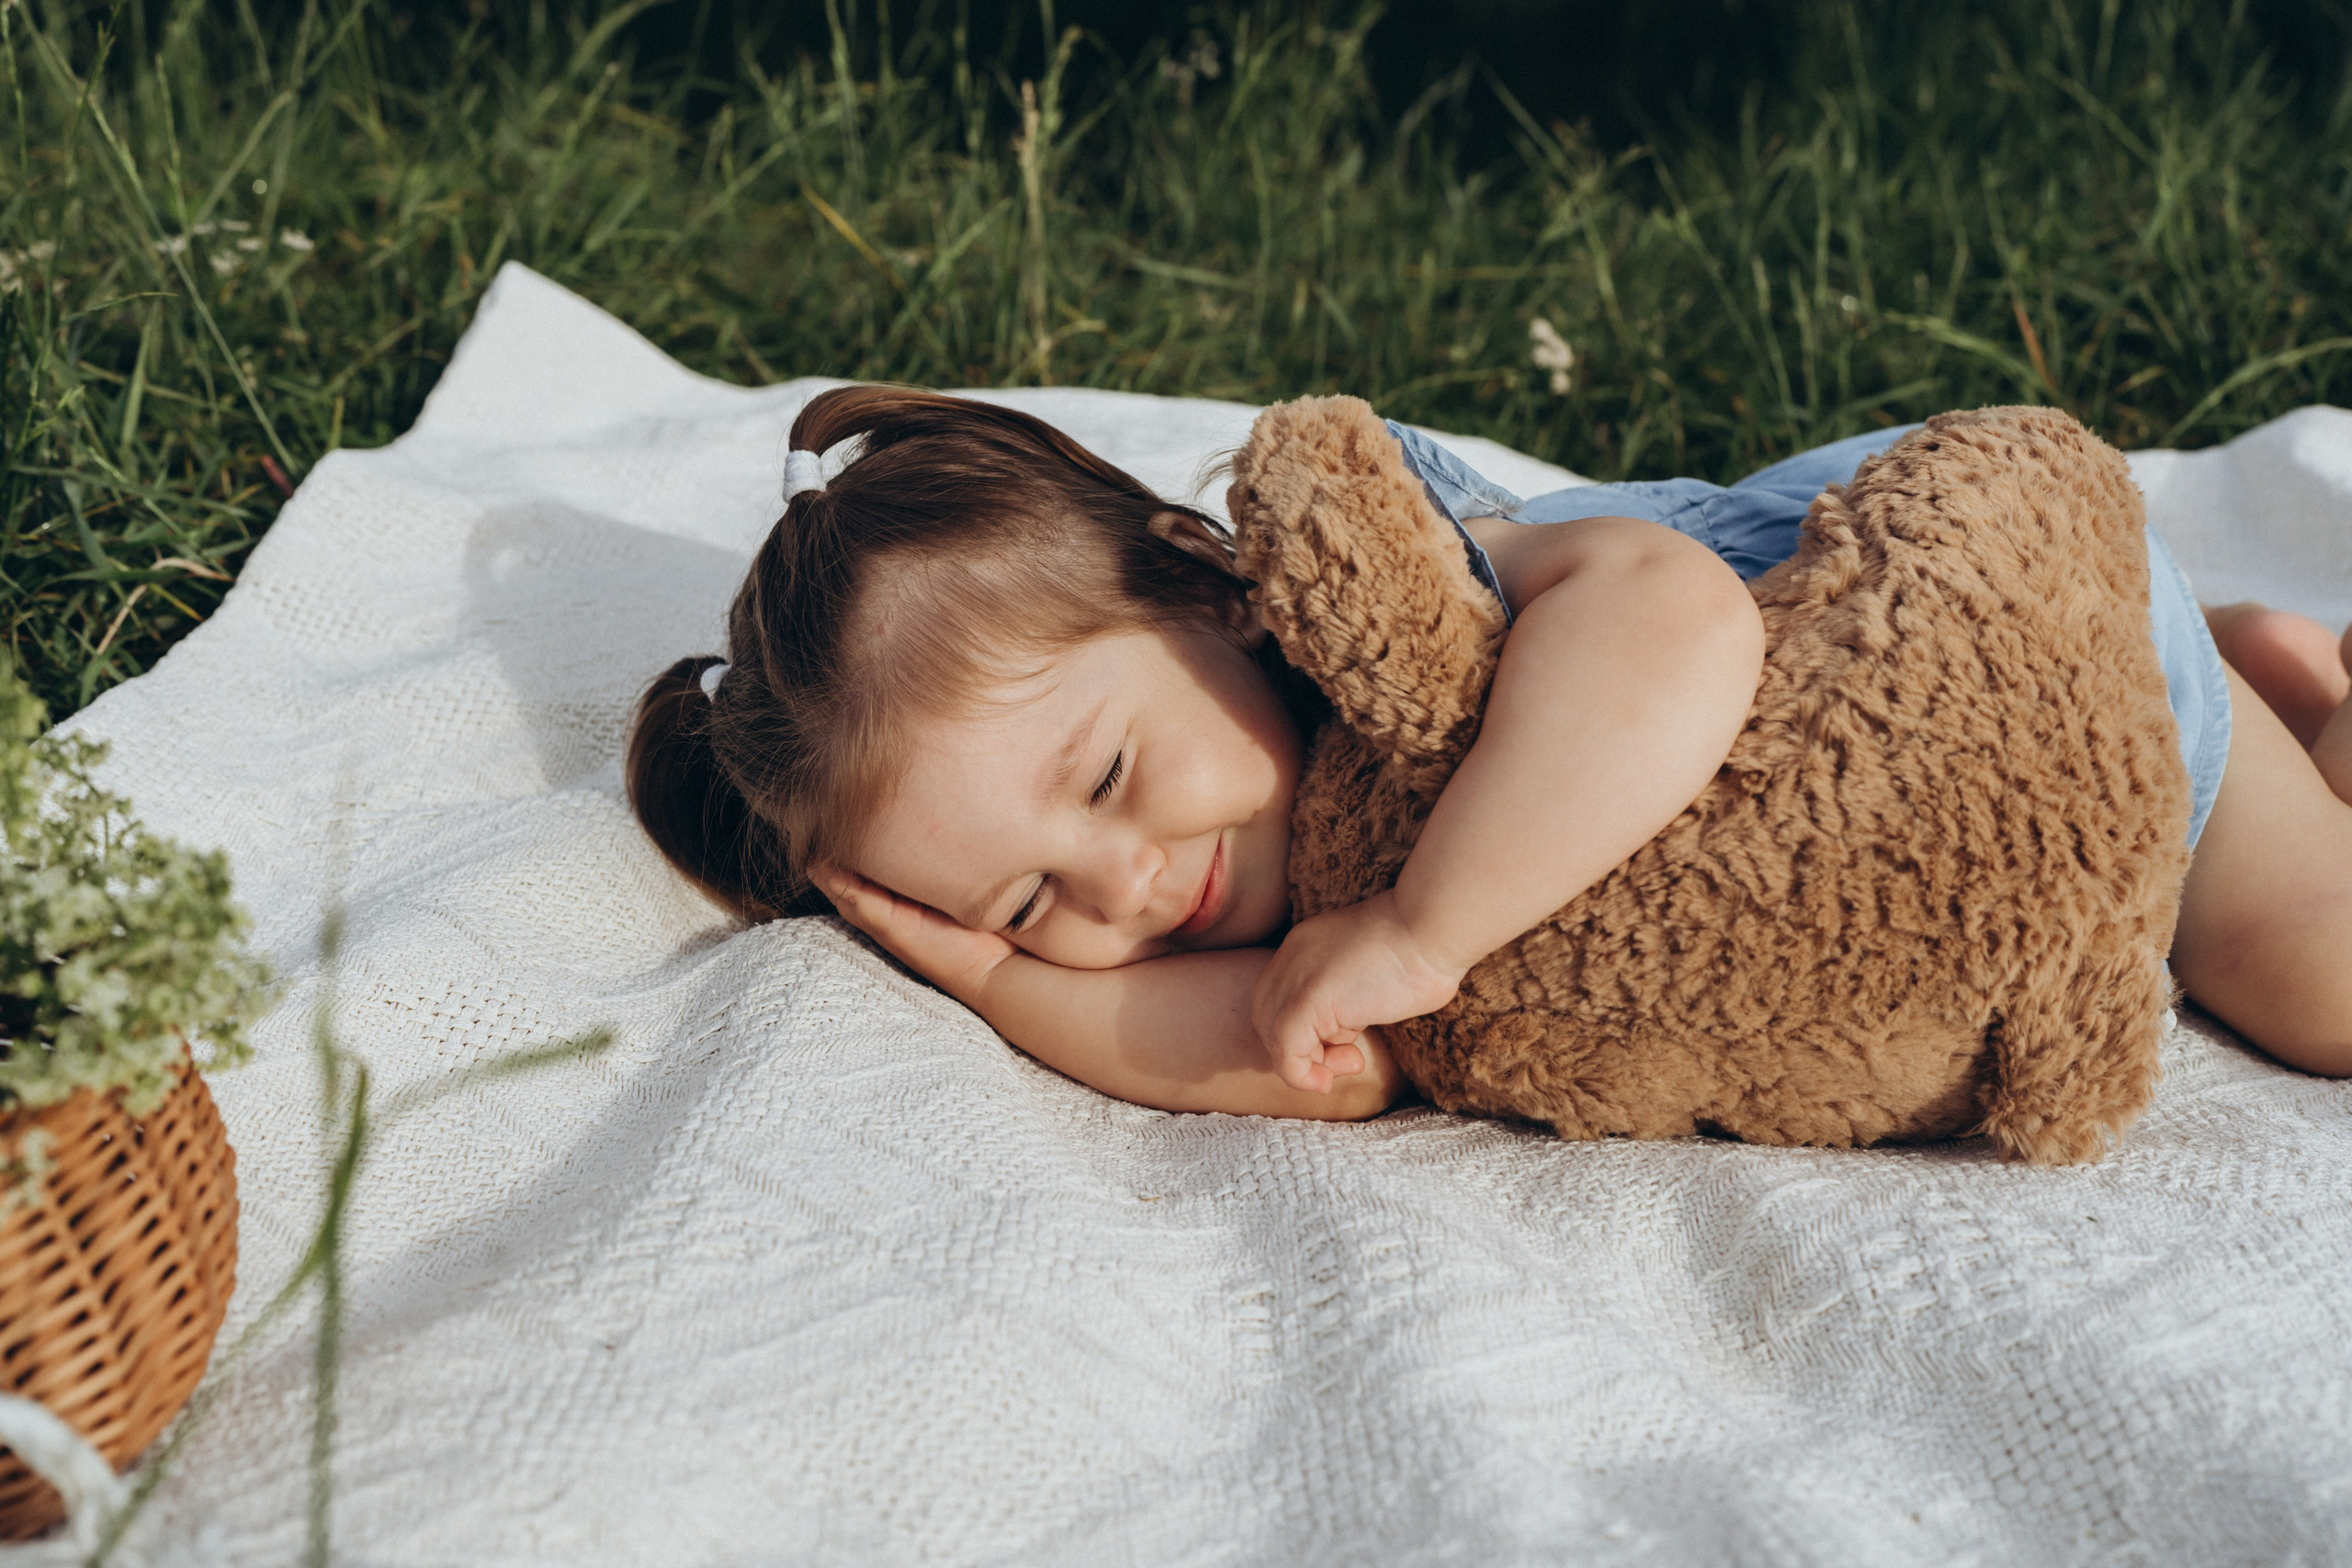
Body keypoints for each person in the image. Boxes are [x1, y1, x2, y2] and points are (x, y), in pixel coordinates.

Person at [627, 386, 2352, 1122]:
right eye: (1031, 897)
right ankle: (2284, 666)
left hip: (2012, 659)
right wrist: (1008, 990)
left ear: (1206, 593)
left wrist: (1429, 927)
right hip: (1906, 862)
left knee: (2323, 991)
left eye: (1103, 782)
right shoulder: (1242, 915)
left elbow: (1681, 630)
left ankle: (2259, 686)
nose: (1132, 885)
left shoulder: (1394, 587)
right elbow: (1324, 1063)